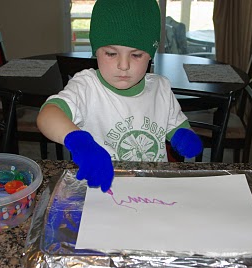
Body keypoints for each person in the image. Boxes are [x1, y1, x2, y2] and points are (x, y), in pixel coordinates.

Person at [37, 0, 202, 192]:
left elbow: (176, 125)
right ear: (96, 51)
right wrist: (79, 141)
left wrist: (183, 136)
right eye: (111, 53)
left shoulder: (161, 88)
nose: (123, 65)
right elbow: (48, 115)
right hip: (99, 191)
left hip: (152, 189)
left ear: (150, 54)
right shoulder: (86, 86)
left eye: (136, 55)